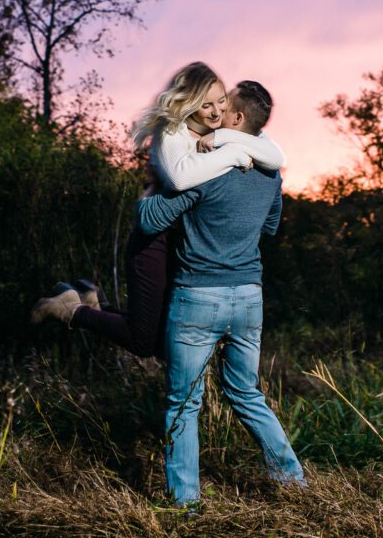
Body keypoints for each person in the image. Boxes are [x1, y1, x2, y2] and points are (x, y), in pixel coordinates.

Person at [30, 63, 285, 358]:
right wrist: (235, 152)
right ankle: (71, 310)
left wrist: (226, 141)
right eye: (206, 104)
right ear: (189, 103)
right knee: (144, 343)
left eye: (221, 101)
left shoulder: (219, 133)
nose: (215, 111)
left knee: (164, 338)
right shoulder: (174, 130)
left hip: (185, 244)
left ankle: (93, 303)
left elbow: (276, 156)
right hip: (154, 240)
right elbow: (181, 179)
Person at [135, 81, 304, 507]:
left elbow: (151, 220)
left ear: (238, 119)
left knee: (183, 404)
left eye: (223, 108)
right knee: (247, 393)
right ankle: (293, 483)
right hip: (249, 298)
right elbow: (270, 227)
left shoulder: (207, 167)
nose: (214, 116)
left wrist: (149, 193)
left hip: (198, 298)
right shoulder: (271, 174)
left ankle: (185, 504)